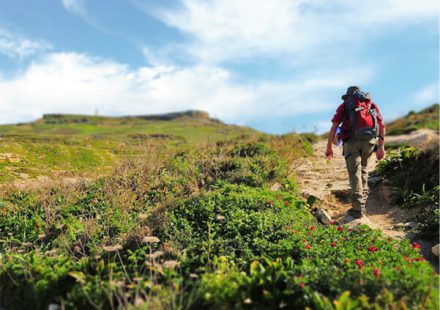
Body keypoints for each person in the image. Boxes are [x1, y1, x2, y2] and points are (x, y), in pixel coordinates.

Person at [325, 86, 385, 219]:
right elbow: (381, 125)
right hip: (369, 142)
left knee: (354, 173)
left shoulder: (345, 105)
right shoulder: (370, 104)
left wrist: (329, 147)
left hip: (351, 142)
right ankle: (362, 204)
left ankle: (357, 209)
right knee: (363, 170)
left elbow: (334, 127)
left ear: (348, 96)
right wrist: (381, 146)